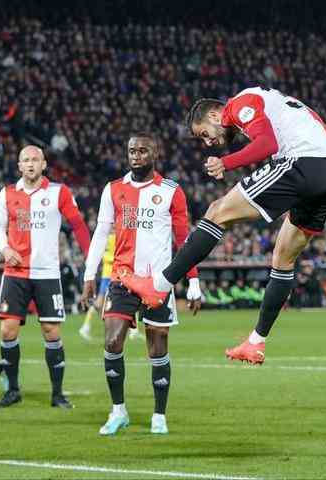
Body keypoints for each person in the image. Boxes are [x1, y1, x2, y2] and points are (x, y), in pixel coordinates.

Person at [128, 87, 326, 364]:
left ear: (213, 114)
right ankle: (256, 341)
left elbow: (267, 144)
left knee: (217, 211)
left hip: (303, 162)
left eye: (204, 134)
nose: (208, 143)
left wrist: (225, 163)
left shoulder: (239, 104)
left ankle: (159, 285)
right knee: (282, 257)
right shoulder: (272, 104)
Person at [80, 133, 202, 436]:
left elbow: (185, 242)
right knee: (111, 342)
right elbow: (100, 233)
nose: (136, 156)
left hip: (160, 281)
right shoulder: (113, 190)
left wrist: (193, 281)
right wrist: (88, 274)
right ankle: (118, 410)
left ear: (155, 154)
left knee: (157, 347)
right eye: (132, 151)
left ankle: (159, 415)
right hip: (122, 277)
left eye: (142, 151)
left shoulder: (172, 191)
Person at [0, 145, 91, 409]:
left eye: (35, 159)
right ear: (19, 166)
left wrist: (90, 256)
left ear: (44, 164)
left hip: (47, 272)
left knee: (51, 331)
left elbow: (78, 225)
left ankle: (57, 394)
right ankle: (12, 389)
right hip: (15, 272)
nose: (31, 163)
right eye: (26, 159)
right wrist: (5, 249)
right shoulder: (7, 193)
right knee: (7, 329)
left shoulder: (59, 192)